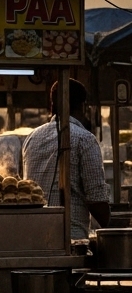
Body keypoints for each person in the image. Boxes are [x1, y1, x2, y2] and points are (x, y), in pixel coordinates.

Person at [23, 79, 111, 240]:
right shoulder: (84, 139)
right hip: (71, 238)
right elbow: (96, 199)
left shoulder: (31, 138)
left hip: (34, 236)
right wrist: (112, 229)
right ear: (82, 106)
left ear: (52, 105)